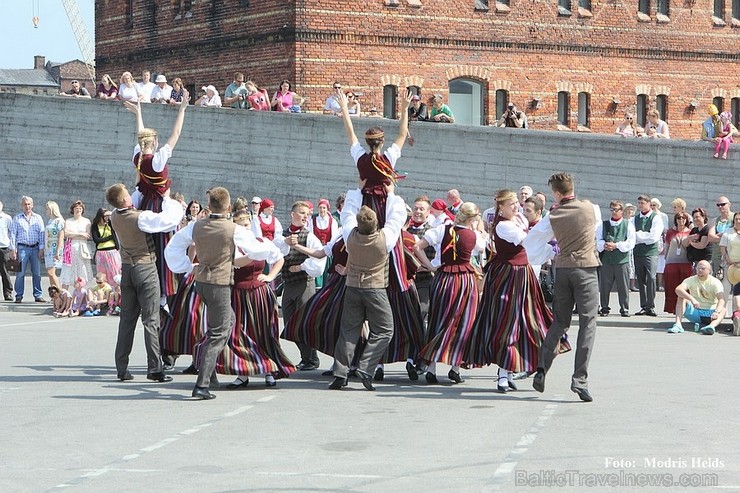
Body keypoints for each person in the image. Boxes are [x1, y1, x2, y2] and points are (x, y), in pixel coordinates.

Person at [165, 187, 282, 400]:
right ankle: (202, 383)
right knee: (219, 331)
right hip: (219, 284)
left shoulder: (195, 226)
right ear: (228, 207)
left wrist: (188, 267)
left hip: (201, 282)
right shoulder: (233, 229)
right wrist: (269, 250)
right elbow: (257, 250)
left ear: (209, 207)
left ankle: (208, 369)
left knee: (226, 323)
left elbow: (171, 249)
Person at [523, 173, 600, 402]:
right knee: (588, 323)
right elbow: (594, 228)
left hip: (564, 268)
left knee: (559, 322)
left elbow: (531, 243)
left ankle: (542, 368)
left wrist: (551, 252)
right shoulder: (590, 207)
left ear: (556, 193)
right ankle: (580, 380)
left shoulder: (553, 215)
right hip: (586, 268)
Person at [466, 190, 551, 392]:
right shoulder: (503, 225)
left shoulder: (518, 218)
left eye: (516, 203)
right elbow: (528, 240)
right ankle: (503, 373)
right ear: (501, 207)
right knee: (508, 321)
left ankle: (516, 368)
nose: (516, 206)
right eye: (511, 204)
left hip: (524, 273)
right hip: (509, 275)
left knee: (528, 320)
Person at [329, 184, 407, 391]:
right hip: (375, 289)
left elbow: (346, 214)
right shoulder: (385, 238)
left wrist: (357, 190)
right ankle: (366, 367)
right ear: (376, 224)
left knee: (348, 331)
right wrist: (390, 194)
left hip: (353, 286)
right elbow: (396, 216)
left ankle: (340, 373)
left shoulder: (349, 236)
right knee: (385, 330)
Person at [106, 183, 184, 383]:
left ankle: (121, 368)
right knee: (151, 320)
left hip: (127, 269)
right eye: (127, 195)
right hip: (145, 267)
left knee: (127, 320)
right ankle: (155, 368)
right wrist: (167, 199)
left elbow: (133, 196)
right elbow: (169, 220)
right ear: (125, 200)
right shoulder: (139, 217)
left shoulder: (115, 215)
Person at [223, 206, 294, 388]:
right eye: (239, 225)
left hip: (260, 293)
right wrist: (252, 252)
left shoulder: (261, 241)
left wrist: (270, 277)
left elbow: (279, 259)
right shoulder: (232, 246)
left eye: (246, 224)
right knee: (239, 334)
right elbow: (236, 262)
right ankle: (243, 374)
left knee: (264, 332)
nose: (244, 228)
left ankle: (270, 371)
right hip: (238, 294)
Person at [415, 202, 484, 384]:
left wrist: (430, 266)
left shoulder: (441, 229)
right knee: (464, 322)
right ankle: (455, 368)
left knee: (438, 319)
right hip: (465, 281)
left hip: (443, 278)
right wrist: (476, 228)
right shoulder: (474, 235)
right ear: (472, 218)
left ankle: (431, 368)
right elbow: (483, 249)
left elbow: (416, 247)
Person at [272, 201, 327, 371]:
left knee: (304, 321)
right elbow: (273, 254)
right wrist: (286, 243)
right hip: (289, 284)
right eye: (302, 213)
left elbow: (320, 261)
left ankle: (311, 358)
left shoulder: (309, 236)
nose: (305, 216)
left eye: (307, 214)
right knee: (289, 323)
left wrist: (302, 266)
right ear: (292, 214)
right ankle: (306, 357)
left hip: (304, 283)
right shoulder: (282, 235)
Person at [596, 200, 635, 317]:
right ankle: (604, 308)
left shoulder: (627, 224)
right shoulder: (603, 224)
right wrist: (604, 245)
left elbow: (631, 242)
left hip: (621, 260)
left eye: (616, 210)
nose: (613, 212)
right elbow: (597, 240)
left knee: (623, 285)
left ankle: (624, 308)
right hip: (607, 260)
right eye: (612, 209)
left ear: (622, 211)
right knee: (604, 286)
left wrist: (616, 245)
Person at [667, 261, 726, 335]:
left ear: (709, 270)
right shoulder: (691, 279)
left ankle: (711, 327)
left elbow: (721, 299)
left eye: (703, 268)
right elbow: (678, 289)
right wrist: (692, 299)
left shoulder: (715, 282)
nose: (700, 270)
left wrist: (716, 312)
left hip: (711, 313)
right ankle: (678, 325)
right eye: (698, 268)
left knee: (723, 310)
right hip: (695, 311)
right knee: (681, 297)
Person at [8, 196, 45, 303]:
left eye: (29, 204)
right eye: (25, 204)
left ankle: (38, 295)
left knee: (37, 273)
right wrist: (13, 249)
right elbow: (13, 235)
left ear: (32, 205)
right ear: (22, 206)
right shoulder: (17, 218)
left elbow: (41, 234)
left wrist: (41, 248)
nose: (27, 206)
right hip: (22, 248)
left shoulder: (38, 218)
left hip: (35, 248)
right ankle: (19, 295)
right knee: (20, 273)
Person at [632, 194, 663, 316]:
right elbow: (632, 236)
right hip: (638, 252)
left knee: (651, 277)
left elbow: (653, 237)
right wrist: (642, 235)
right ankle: (643, 305)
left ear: (649, 204)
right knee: (641, 279)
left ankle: (651, 305)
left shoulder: (656, 218)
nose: (640, 205)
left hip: (651, 252)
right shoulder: (635, 218)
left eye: (643, 203)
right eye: (639, 203)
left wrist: (638, 235)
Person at [59, 200, 94, 290]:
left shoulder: (86, 221)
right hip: (71, 248)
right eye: (76, 208)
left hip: (82, 248)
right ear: (73, 210)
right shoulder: (68, 221)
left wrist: (74, 234)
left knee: (82, 270)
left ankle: (81, 294)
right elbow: (66, 234)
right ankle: (64, 294)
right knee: (68, 271)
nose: (78, 210)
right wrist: (80, 234)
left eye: (80, 208)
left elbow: (87, 235)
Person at [663, 212, 693, 314]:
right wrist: (666, 259)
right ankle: (672, 309)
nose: (681, 220)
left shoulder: (690, 232)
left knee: (685, 287)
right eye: (679, 218)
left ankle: (685, 309)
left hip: (685, 262)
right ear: (675, 220)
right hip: (671, 262)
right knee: (671, 286)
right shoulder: (670, 232)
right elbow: (666, 246)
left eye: (683, 218)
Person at [91, 208, 122, 289]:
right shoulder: (95, 225)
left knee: (115, 272)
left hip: (112, 251)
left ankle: (116, 291)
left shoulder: (110, 224)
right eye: (106, 216)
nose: (107, 217)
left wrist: (111, 216)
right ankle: (105, 292)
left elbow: (116, 227)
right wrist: (109, 237)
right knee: (102, 274)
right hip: (101, 252)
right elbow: (96, 239)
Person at [719, 212, 740, 333]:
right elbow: (722, 248)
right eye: (736, 219)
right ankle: (719, 318)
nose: (738, 221)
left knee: (737, 294)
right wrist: (729, 260)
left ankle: (735, 320)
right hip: (729, 266)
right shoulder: (728, 232)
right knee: (725, 291)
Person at [43, 201, 65, 291]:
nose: (46, 210)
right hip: (48, 248)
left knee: (51, 272)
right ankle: (54, 294)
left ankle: (60, 292)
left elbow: (61, 236)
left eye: (47, 209)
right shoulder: (50, 221)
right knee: (49, 273)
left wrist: (58, 250)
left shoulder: (59, 221)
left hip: (55, 248)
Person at [0, 200, 12, 301]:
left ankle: (8, 293)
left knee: (4, 271)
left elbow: (11, 234)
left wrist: (12, 248)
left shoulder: (7, 218)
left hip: (4, 248)